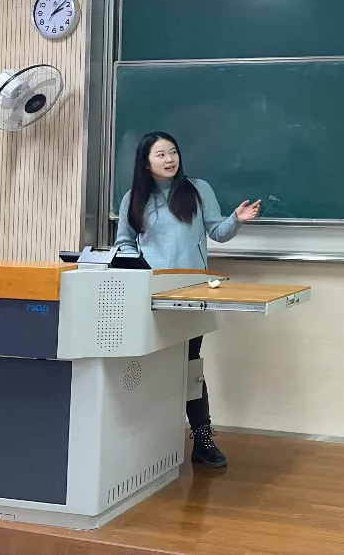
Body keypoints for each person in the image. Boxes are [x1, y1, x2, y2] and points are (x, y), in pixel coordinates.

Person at [115, 132, 260, 468]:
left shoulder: (197, 189)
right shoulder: (133, 198)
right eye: (161, 154)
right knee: (153, 364)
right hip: (152, 296)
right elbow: (124, 243)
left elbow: (217, 232)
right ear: (146, 162)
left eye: (173, 152)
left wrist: (236, 220)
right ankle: (151, 438)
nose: (170, 159)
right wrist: (140, 268)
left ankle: (202, 438)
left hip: (192, 294)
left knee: (189, 364)